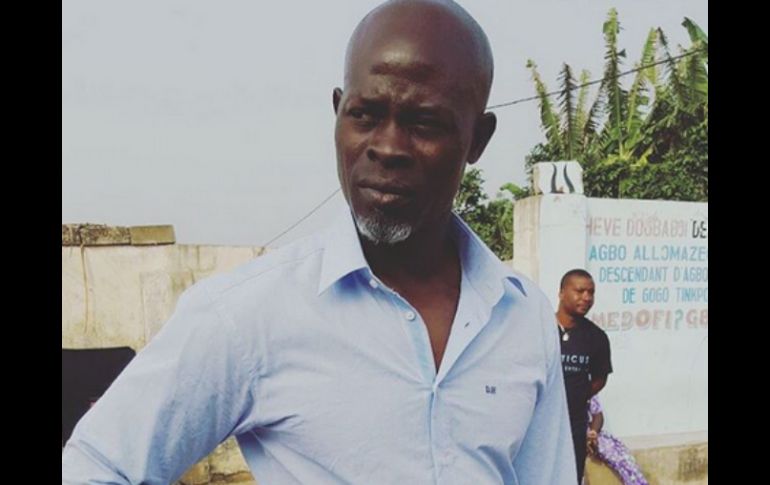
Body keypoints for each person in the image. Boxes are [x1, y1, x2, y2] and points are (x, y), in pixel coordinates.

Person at [62, 1, 576, 483]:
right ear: (338, 112)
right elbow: (94, 465)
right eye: (365, 115)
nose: (387, 147)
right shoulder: (247, 314)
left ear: (477, 139)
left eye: (423, 123)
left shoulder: (522, 317)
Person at [557, 269, 612, 484]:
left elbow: (600, 379)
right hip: (540, 423)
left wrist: (577, 395)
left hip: (574, 425)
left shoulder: (597, 337)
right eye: (579, 291)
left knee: (570, 476)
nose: (587, 298)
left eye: (591, 292)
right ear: (562, 293)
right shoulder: (541, 330)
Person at [586, 396, 649, 485]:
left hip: (590, 434)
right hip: (576, 436)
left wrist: (593, 433)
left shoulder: (586, 390)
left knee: (623, 459)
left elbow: (598, 415)